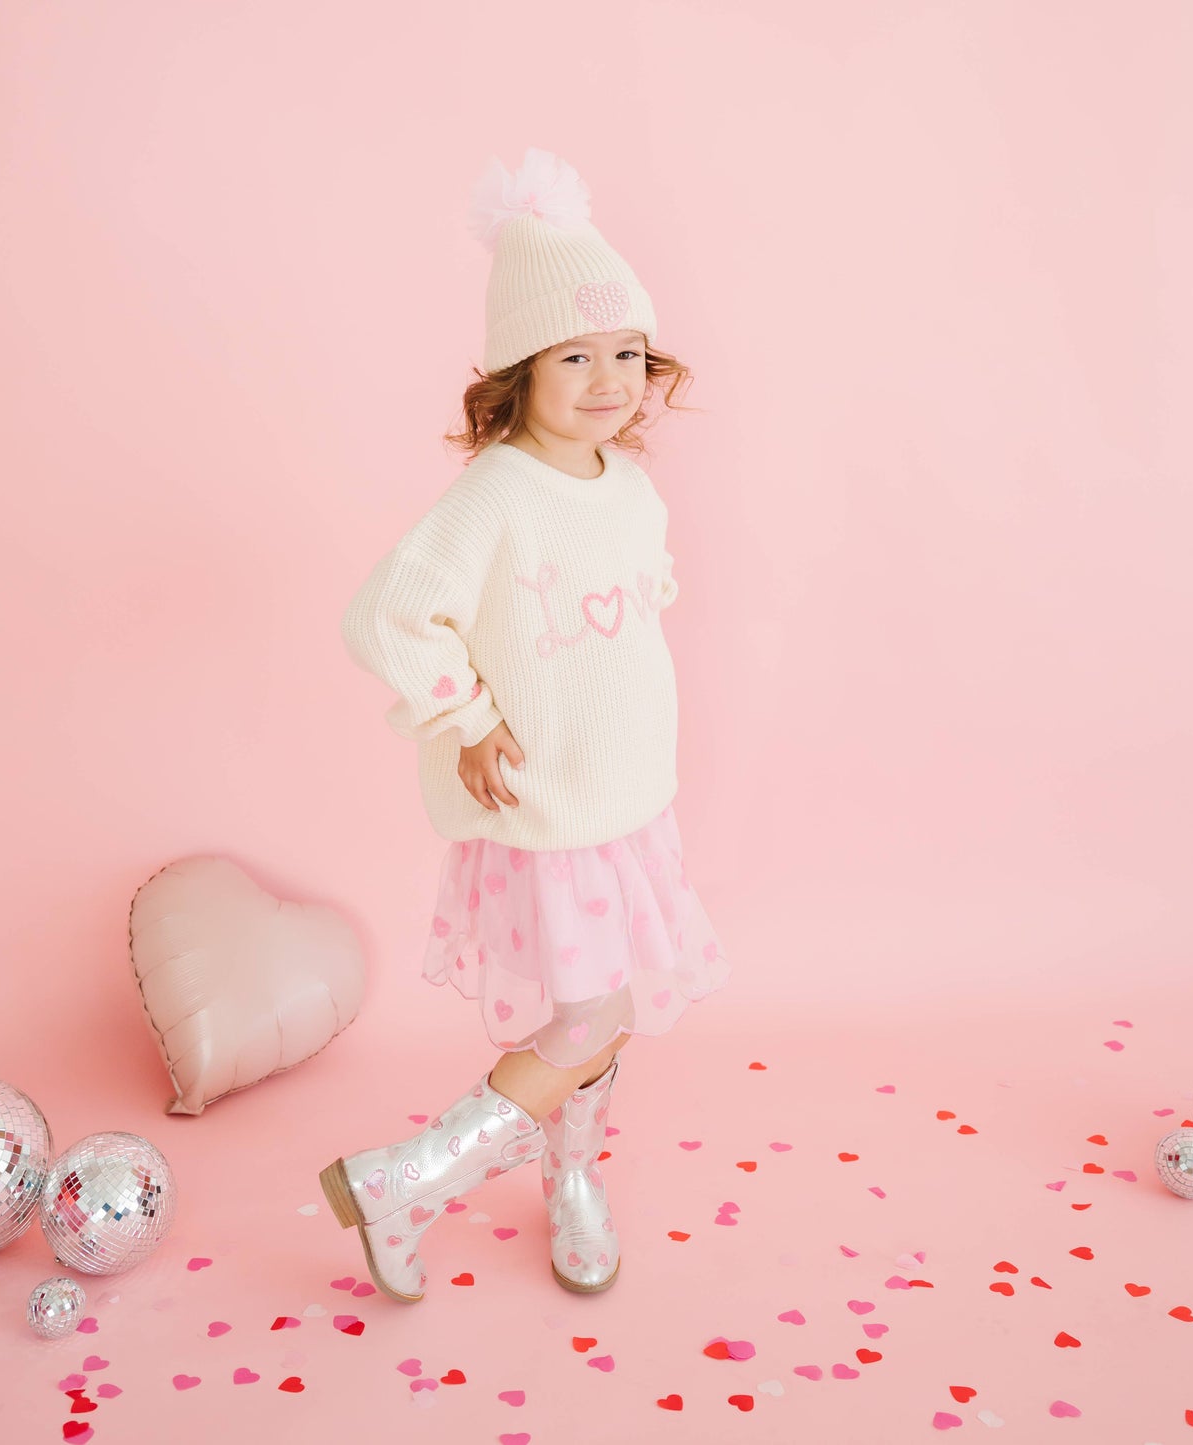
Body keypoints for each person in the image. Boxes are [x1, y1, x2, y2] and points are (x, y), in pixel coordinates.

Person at [319, 146, 732, 1303]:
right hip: (549, 806)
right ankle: (412, 1173)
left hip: (626, 796)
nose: (607, 380)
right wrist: (462, 712)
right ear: (517, 369)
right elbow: (388, 613)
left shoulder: (625, 482)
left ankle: (570, 1177)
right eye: (574, 356)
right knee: (592, 1014)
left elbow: (633, 611)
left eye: (625, 355)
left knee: (595, 1014)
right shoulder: (493, 493)